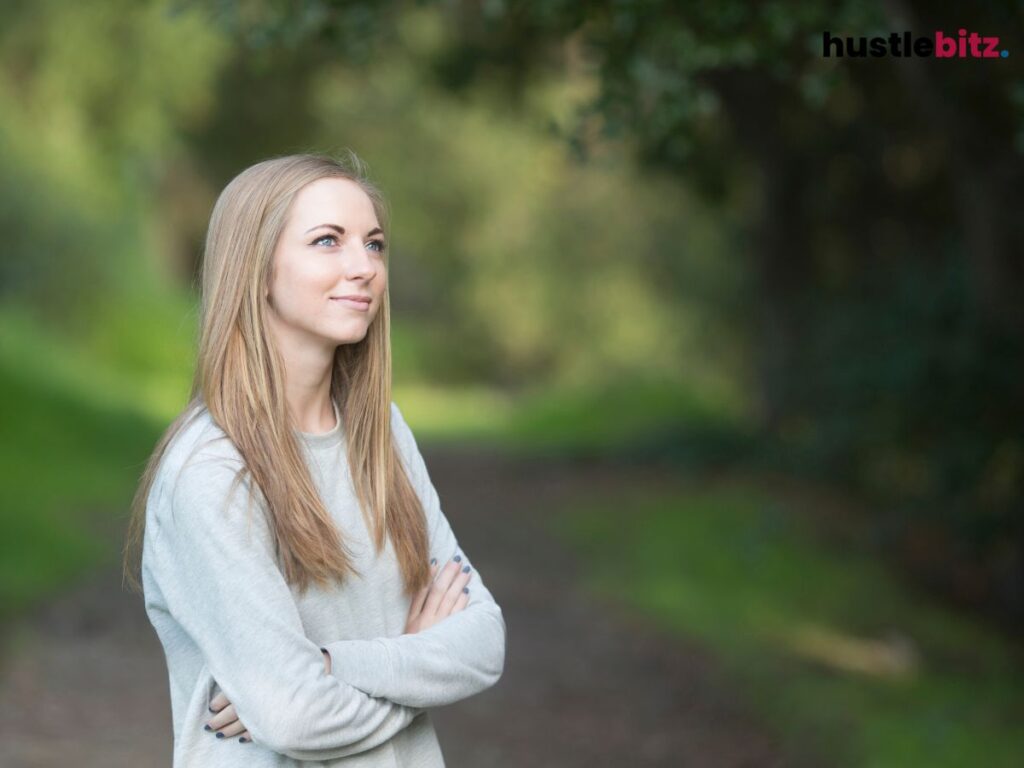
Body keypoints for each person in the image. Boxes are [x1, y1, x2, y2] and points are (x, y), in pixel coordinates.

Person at [121, 151, 507, 766]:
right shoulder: (212, 473)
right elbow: (296, 715)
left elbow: (484, 642)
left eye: (374, 245)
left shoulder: (381, 434)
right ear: (256, 270)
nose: (364, 268)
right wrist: (417, 660)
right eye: (328, 241)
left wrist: (334, 665)